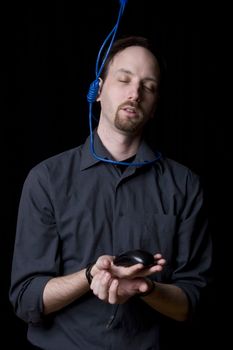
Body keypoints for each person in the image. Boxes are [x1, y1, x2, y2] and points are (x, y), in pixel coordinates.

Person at [9, 36, 212, 350]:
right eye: (124, 79)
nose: (135, 93)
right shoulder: (46, 179)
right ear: (98, 90)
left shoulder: (184, 185)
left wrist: (146, 288)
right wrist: (90, 275)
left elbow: (191, 302)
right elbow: (27, 299)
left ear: (155, 105)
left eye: (149, 86)